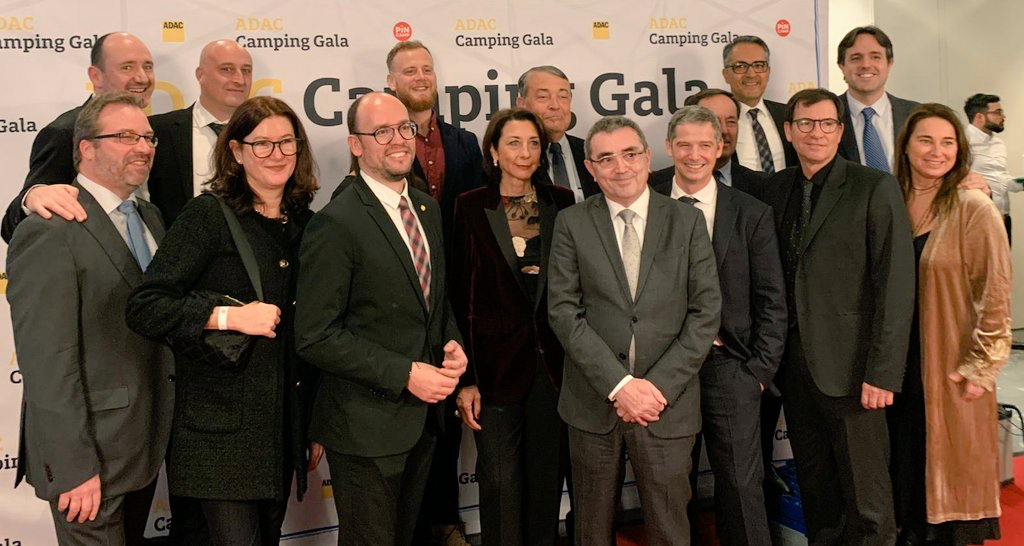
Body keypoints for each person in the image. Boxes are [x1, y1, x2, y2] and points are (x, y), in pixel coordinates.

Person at [126, 96, 321, 545]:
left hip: (280, 432)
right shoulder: (208, 215)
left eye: (286, 142)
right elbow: (146, 305)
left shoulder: (306, 224)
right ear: (236, 151)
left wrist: (311, 427)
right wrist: (230, 317)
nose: (277, 154)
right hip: (217, 434)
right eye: (262, 144)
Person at [294, 92, 468, 546]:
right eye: (382, 132)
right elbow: (315, 335)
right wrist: (405, 373)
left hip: (422, 423)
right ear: (355, 145)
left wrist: (452, 342)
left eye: (405, 128)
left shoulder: (426, 208)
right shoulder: (337, 222)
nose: (398, 140)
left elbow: (433, 300)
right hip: (365, 428)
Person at [7, 92, 173, 545]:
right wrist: (73, 468)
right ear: (86, 148)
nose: (143, 147)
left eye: (148, 137)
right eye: (126, 136)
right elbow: (46, 363)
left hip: (142, 450)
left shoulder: (150, 216)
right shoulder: (48, 230)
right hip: (89, 462)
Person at [548, 115, 721, 545]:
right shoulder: (571, 222)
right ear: (590, 168)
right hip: (593, 404)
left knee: (670, 529)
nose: (620, 166)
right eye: (606, 158)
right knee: (591, 530)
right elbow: (564, 312)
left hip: (666, 404)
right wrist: (620, 385)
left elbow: (705, 312)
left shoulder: (686, 221)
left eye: (629, 154)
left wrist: (654, 388)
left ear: (647, 158)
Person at [761, 87, 916, 544]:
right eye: (805, 123)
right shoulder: (775, 189)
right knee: (818, 490)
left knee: (867, 497)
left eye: (827, 123)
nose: (816, 132)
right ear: (788, 132)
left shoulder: (873, 186)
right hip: (794, 369)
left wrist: (883, 372)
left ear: (840, 130)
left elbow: (895, 284)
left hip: (854, 370)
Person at [650, 106, 787, 546]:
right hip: (661, 367)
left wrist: (758, 372)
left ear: (719, 148)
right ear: (669, 147)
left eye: (704, 145)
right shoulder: (644, 199)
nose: (694, 155)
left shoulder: (750, 212)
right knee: (670, 486)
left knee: (742, 485)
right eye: (684, 145)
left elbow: (772, 299)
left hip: (730, 364)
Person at [450, 108, 575, 546]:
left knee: (545, 483)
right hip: (494, 371)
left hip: (554, 369)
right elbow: (459, 296)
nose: (525, 152)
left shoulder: (562, 201)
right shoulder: (470, 206)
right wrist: (466, 379)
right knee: (500, 483)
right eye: (514, 143)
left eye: (534, 143)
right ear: (493, 151)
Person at [889, 103, 1011, 546]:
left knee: (949, 484)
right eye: (925, 140)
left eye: (947, 142)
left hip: (950, 369)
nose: (936, 151)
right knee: (906, 475)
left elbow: (995, 294)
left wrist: (981, 367)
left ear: (959, 150)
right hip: (897, 369)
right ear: (906, 146)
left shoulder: (973, 206)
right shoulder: (890, 200)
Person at [385, 40, 483, 546]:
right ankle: (410, 528)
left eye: (426, 68)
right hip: (402, 296)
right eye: (409, 71)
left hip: (457, 293)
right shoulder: (383, 141)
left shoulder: (465, 143)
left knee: (446, 418)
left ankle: (445, 521)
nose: (421, 76)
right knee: (407, 416)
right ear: (391, 82)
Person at [2, 32, 154, 242]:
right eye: (127, 67)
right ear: (95, 76)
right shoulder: (65, 132)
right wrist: (32, 197)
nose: (142, 78)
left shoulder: (154, 131)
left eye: (148, 66)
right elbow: (18, 224)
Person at [145, 39, 254, 225]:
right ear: (200, 75)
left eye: (246, 70)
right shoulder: (157, 131)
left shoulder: (266, 134)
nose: (239, 80)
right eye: (227, 69)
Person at [836, 26, 919, 172]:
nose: (866, 65)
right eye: (856, 58)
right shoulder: (826, 118)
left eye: (875, 57)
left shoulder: (917, 114)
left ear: (889, 63)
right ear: (842, 66)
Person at [517, 65, 602, 203]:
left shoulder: (592, 152)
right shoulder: (511, 159)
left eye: (563, 97)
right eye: (543, 97)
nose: (555, 106)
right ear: (522, 104)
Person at [720, 36, 796, 173]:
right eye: (740, 66)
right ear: (726, 74)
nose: (751, 74)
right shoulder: (715, 121)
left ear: (768, 72)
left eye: (759, 65)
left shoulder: (788, 113)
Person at [965, 93, 1019, 244]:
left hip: (1003, 217)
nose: (1003, 117)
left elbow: (1002, 180)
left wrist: (1020, 183)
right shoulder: (963, 141)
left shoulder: (998, 143)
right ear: (980, 117)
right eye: (998, 112)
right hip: (978, 219)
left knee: (1004, 260)